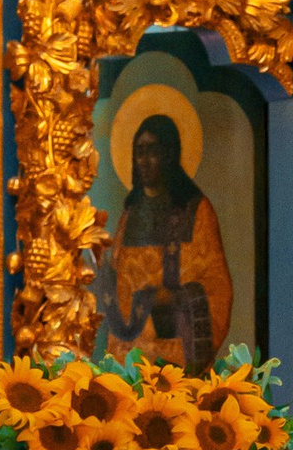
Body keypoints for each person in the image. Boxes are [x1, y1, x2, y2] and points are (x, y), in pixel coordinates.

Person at [99, 109, 231, 372]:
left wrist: (167, 297)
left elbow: (216, 288)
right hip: (130, 354)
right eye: (139, 151)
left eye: (152, 151)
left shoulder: (196, 210)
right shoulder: (130, 214)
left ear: (170, 154)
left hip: (176, 355)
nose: (144, 161)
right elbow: (119, 284)